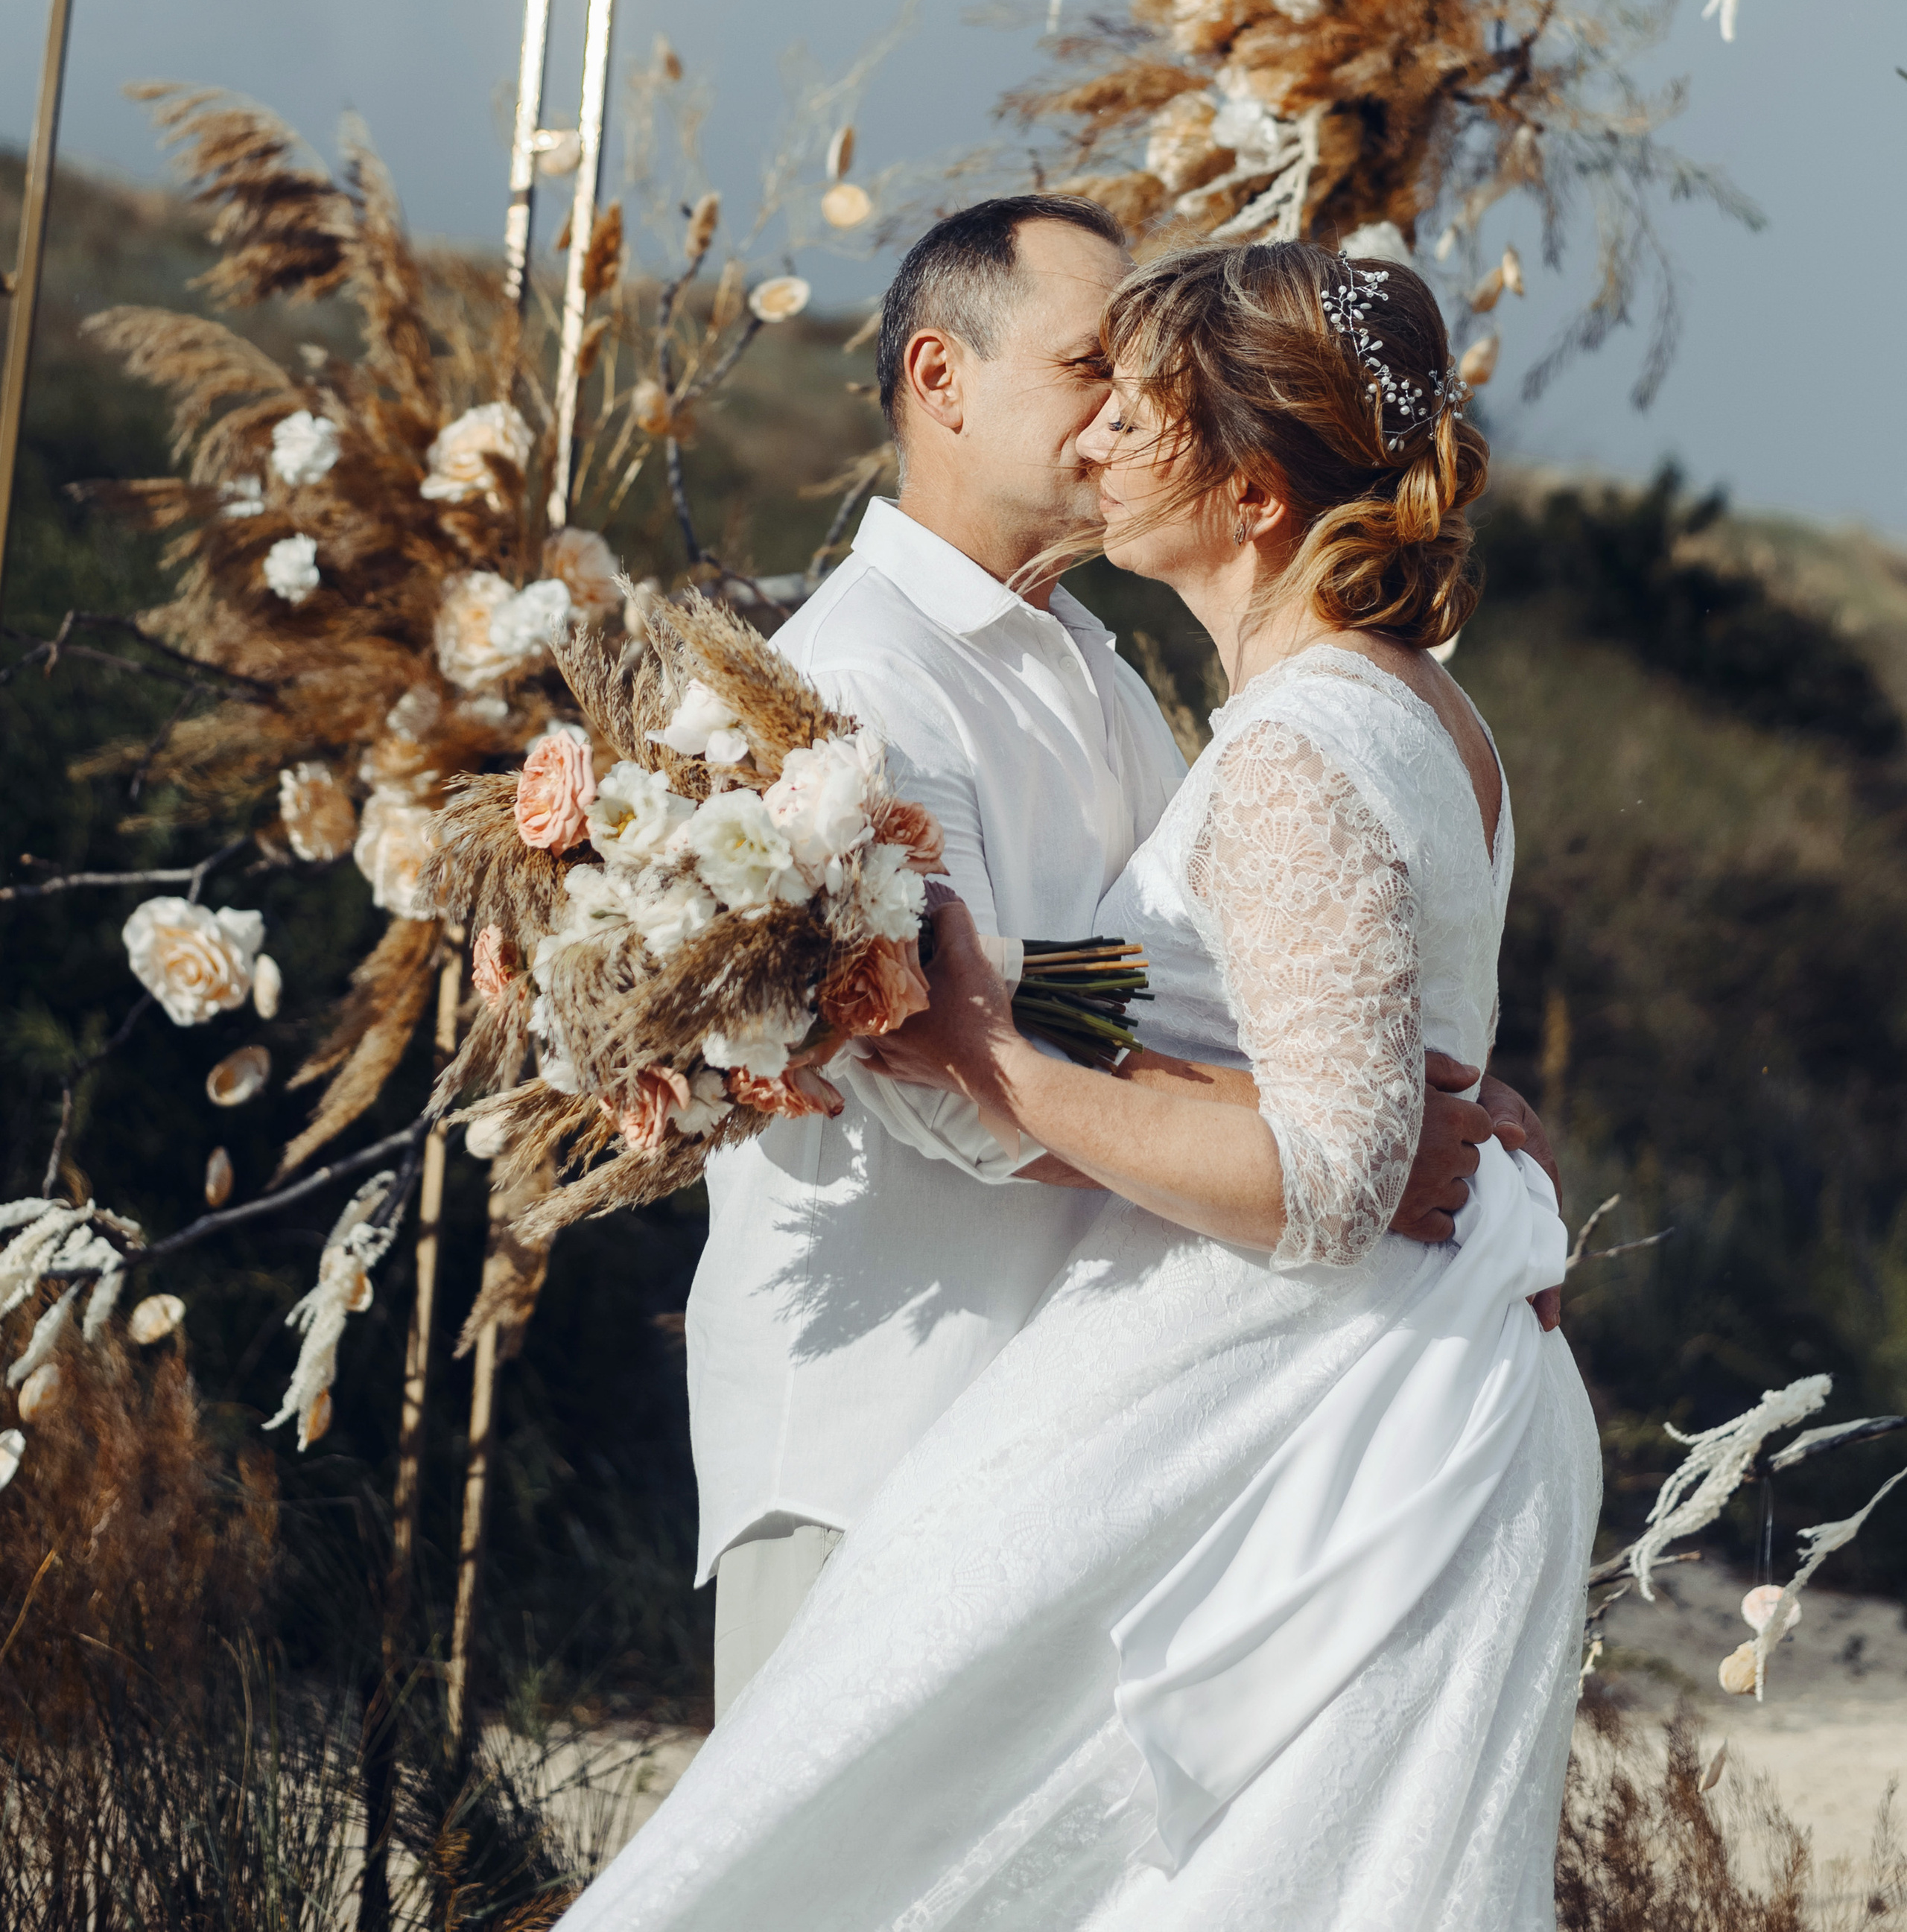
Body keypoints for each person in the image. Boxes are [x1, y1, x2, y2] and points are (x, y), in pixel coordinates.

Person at [580, 231, 1596, 1931]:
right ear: (937, 378)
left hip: (1151, 1411)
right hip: (891, 1400)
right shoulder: (841, 684)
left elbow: (1126, 987)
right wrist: (1353, 1114)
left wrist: (1356, 1091)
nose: (1112, 423)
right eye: (1086, 374)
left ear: (1253, 479)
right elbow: (934, 1074)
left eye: (1144, 391)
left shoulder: (1109, 668)